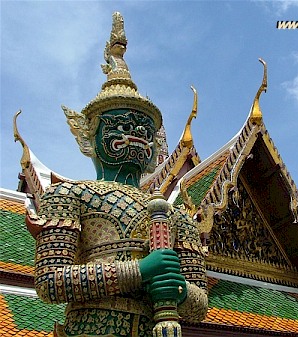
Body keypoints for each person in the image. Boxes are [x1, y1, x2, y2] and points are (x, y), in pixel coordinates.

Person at [29, 12, 208, 337]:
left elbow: (200, 305)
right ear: (88, 136)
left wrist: (178, 288)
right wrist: (138, 271)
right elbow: (50, 281)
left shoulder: (176, 217)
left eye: (144, 129)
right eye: (123, 126)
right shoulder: (68, 196)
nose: (137, 134)